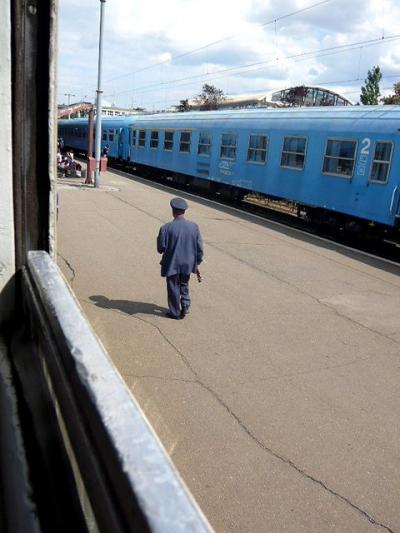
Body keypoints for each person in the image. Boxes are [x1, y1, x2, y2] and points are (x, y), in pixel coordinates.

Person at [157, 197, 203, 319]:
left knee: (173, 287)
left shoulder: (166, 228)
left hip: (172, 263)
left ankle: (175, 312)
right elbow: (199, 248)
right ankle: (185, 306)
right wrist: (197, 262)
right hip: (188, 263)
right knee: (184, 284)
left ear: (173, 210)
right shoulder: (194, 227)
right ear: (184, 211)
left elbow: (160, 248)